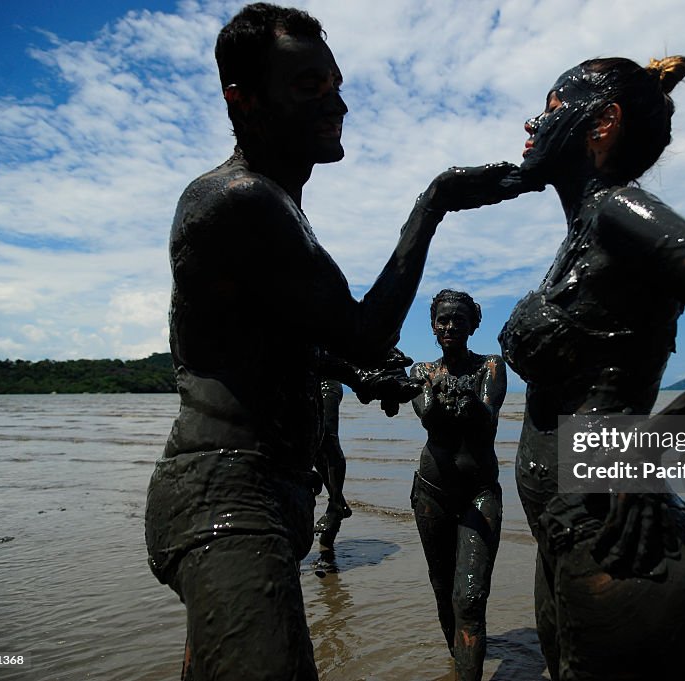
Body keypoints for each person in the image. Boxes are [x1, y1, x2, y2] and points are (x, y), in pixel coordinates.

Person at [143, 4, 528, 679]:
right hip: (226, 500)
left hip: (266, 497)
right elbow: (363, 329)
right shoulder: (239, 199)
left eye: (337, 84)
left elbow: (285, 346)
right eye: (309, 87)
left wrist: (359, 376)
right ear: (245, 99)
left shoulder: (278, 209)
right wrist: (433, 202)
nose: (338, 103)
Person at [452, 56, 685, 679]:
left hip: (621, 553)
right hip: (570, 541)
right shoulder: (583, 237)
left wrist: (653, 448)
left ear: (602, 123)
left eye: (548, 108)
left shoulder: (619, 213)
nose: (528, 123)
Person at [409, 289, 507, 681]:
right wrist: (452, 401)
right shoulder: (421, 371)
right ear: (433, 325)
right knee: (442, 587)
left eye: (459, 320)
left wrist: (466, 401)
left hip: (479, 495)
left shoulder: (491, 366)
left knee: (469, 596)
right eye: (443, 320)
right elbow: (429, 414)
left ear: (473, 325)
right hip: (431, 492)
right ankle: (461, 663)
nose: (450, 326)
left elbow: (487, 416)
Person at [312, 378, 351, 570]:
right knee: (312, 446)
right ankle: (339, 502)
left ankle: (335, 504)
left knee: (328, 438)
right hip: (298, 381)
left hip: (327, 381)